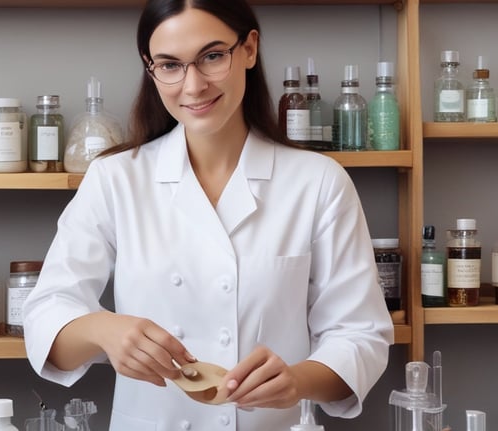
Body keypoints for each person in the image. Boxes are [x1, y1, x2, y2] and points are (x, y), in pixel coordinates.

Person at [23, 0, 394, 429]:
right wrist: (102, 330)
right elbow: (45, 314)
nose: (193, 85)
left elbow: (360, 334)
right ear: (151, 69)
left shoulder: (319, 182)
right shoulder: (115, 178)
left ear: (249, 49)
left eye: (213, 56)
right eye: (170, 65)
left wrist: (297, 380)